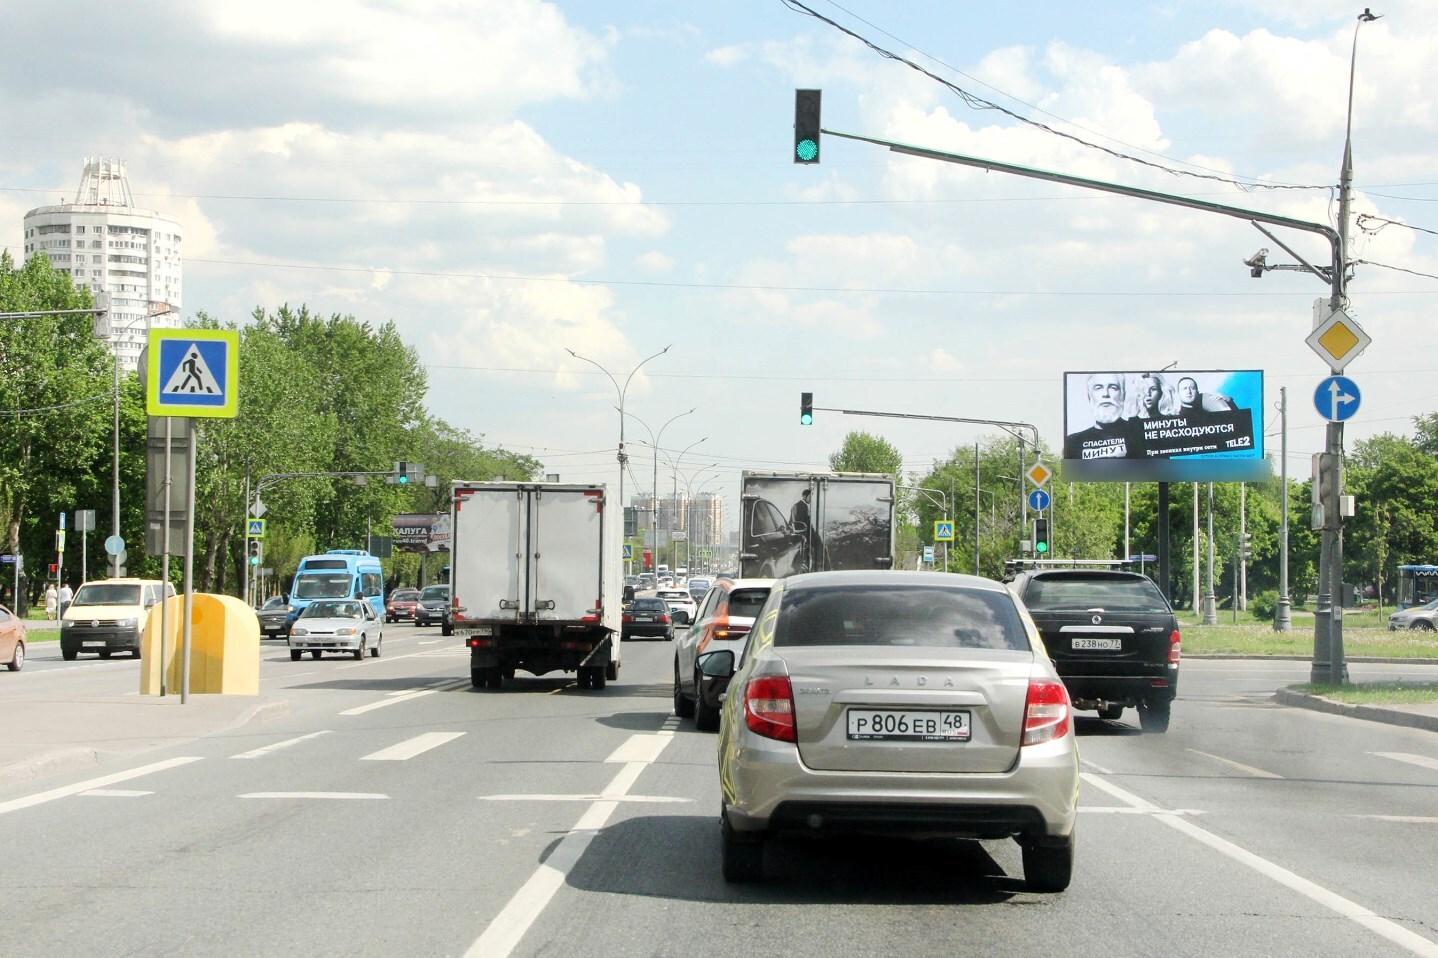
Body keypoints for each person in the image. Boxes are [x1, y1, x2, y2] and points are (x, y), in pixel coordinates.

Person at [1064, 372, 1145, 460]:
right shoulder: (1073, 442)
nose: (1106, 394)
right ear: (1089, 396)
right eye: (1098, 388)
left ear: (1123, 395)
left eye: (1113, 387)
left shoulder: (1140, 431)